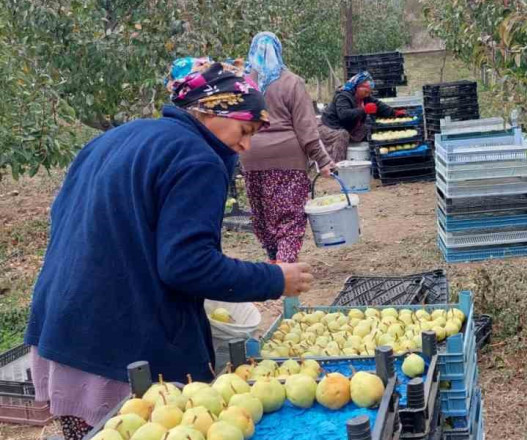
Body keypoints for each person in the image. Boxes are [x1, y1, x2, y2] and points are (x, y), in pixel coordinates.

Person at [24, 61, 314, 440]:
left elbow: (69, 219)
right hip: (119, 353)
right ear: (210, 111)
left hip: (61, 329)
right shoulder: (198, 158)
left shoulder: (114, 138)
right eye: (244, 130)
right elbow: (187, 265)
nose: (245, 146)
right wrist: (274, 278)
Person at [239, 32, 335, 263]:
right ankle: (284, 267)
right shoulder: (291, 81)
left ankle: (274, 260)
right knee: (290, 216)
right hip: (287, 159)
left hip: (250, 155)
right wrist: (322, 160)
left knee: (263, 215)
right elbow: (306, 127)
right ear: (278, 51)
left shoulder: (243, 83)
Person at [319, 71, 407, 161]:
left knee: (368, 128)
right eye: (366, 91)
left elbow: (379, 105)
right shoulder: (343, 96)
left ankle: (370, 159)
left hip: (348, 126)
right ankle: (337, 166)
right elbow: (344, 114)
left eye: (369, 92)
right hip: (331, 127)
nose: (368, 94)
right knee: (343, 135)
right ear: (358, 87)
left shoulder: (365, 98)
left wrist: (394, 112)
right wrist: (363, 110)